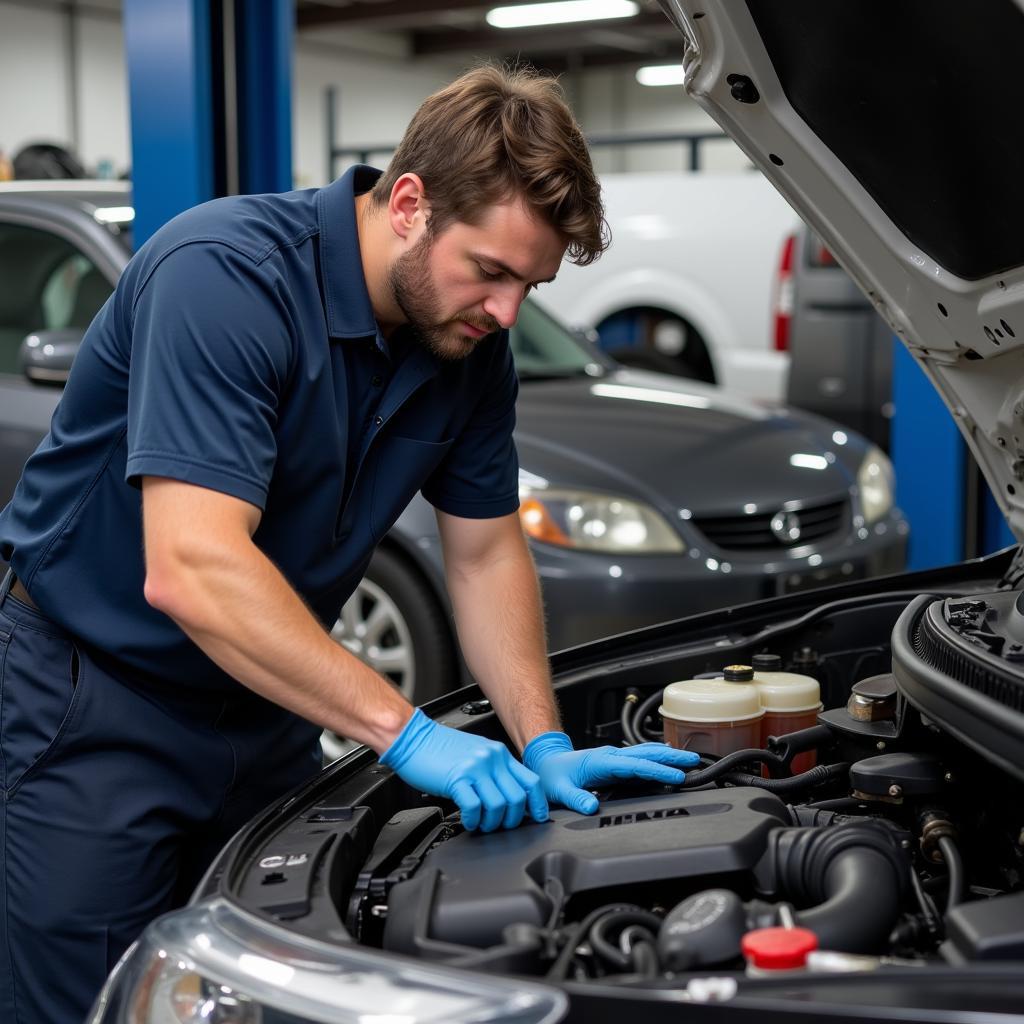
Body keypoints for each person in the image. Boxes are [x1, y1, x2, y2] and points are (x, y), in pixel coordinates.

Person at [0, 64, 699, 1024]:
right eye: (490, 271)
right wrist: (407, 733)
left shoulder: (469, 348)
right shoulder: (226, 276)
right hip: (92, 704)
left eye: (527, 286)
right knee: (85, 1002)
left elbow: (486, 553)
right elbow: (194, 567)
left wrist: (542, 739)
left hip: (265, 703)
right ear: (408, 203)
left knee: (275, 981)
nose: (504, 313)